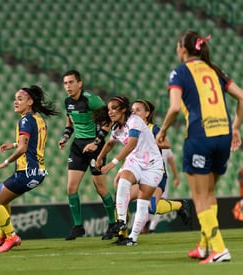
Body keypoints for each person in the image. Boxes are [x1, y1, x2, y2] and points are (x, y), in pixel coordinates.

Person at [156, 30, 243, 264]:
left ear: (183, 49)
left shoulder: (180, 72)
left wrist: (162, 131)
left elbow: (174, 108)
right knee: (210, 193)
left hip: (200, 135)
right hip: (223, 134)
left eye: (177, 47)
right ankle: (205, 247)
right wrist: (235, 127)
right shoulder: (214, 69)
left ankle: (219, 248)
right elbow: (242, 97)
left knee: (199, 196)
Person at [0, 85, 59, 252]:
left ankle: (11, 236)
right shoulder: (39, 120)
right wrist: (13, 144)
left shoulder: (24, 120)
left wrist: (5, 162)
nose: (15, 102)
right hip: (38, 172)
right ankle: (1, 237)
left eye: (20, 99)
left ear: (30, 102)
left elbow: (23, 149)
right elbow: (31, 142)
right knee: (3, 201)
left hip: (25, 171)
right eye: (14, 99)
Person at [95, 96, 164, 246]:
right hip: (136, 161)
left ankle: (132, 238)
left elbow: (131, 144)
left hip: (152, 165)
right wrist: (100, 157)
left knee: (142, 203)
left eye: (114, 108)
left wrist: (113, 163)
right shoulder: (116, 127)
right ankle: (120, 221)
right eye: (109, 109)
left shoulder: (134, 121)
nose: (110, 112)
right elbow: (110, 143)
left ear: (124, 109)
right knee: (123, 181)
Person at [59, 70, 116, 241]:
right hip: (78, 146)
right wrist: (65, 136)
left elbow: (108, 122)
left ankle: (113, 224)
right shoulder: (67, 102)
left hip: (95, 145)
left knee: (100, 187)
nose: (68, 86)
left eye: (71, 82)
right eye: (65, 83)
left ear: (80, 83)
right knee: (70, 188)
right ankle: (78, 227)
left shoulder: (92, 100)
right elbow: (70, 123)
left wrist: (96, 143)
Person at [130, 100, 189, 232]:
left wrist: (151, 142)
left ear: (147, 113)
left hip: (156, 173)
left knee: (151, 208)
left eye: (138, 110)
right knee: (122, 198)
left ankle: (179, 205)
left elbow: (167, 144)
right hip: (140, 172)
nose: (133, 112)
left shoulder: (154, 129)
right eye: (132, 110)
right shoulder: (132, 129)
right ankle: (121, 233)